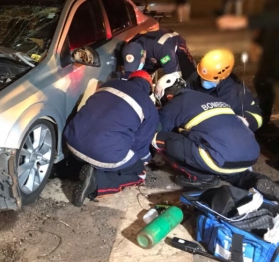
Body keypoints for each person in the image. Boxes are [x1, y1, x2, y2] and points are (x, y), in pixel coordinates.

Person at [152, 74, 279, 200]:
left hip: (219, 155)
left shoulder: (176, 102)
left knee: (158, 137)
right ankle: (257, 180)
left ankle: (202, 177)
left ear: (168, 97)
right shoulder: (207, 97)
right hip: (249, 155)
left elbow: (156, 128)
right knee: (234, 173)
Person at [64, 70, 159, 207]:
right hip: (103, 152)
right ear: (149, 89)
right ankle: (96, 182)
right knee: (139, 173)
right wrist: (147, 160)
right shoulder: (150, 108)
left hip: (71, 142)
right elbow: (139, 147)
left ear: (130, 79)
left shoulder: (108, 84)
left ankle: (72, 169)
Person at [217, 1, 279, 132]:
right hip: (273, 50)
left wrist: (244, 21)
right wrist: (257, 41)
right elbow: (269, 15)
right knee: (263, 81)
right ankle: (263, 123)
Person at [187, 49, 262, 132]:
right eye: (202, 77)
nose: (204, 81)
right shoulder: (195, 77)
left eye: (210, 79)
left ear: (223, 76)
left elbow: (216, 118)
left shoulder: (230, 92)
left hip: (246, 117)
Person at [122, 28, 196, 81]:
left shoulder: (164, 52)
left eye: (138, 64)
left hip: (175, 46)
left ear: (144, 54)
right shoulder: (129, 47)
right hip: (151, 51)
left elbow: (173, 77)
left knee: (190, 77)